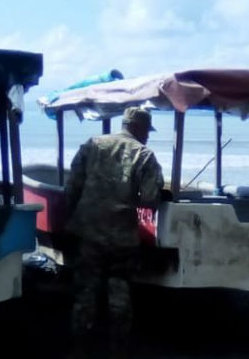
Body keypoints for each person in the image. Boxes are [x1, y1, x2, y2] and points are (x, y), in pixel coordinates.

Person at [65, 107, 164, 358]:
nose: (148, 137)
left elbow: (71, 187)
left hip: (88, 232)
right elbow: (150, 200)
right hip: (122, 237)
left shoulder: (93, 145)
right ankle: (117, 349)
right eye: (147, 132)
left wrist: (70, 220)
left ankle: (80, 348)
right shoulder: (144, 155)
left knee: (85, 292)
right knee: (119, 292)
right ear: (140, 128)